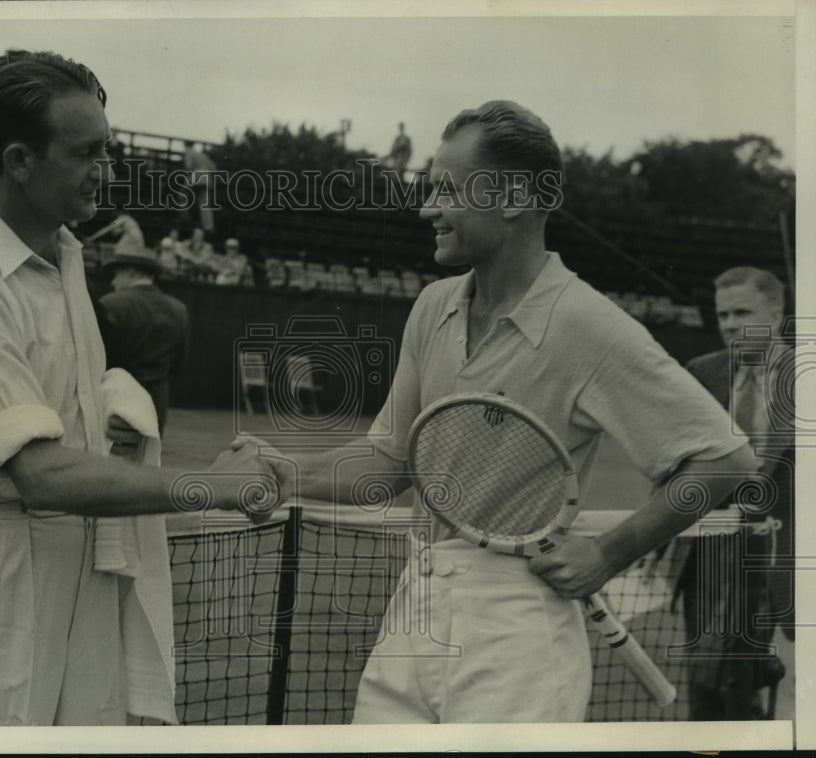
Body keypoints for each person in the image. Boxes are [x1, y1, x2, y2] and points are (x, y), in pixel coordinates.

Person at [231, 100, 758, 724]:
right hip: (416, 608)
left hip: (520, 635)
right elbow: (389, 462)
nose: (428, 209)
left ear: (512, 197)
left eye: (446, 191)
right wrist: (287, 474)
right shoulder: (431, 306)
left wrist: (610, 553)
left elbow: (728, 459)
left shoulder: (588, 324)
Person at [0, 48, 275, 727]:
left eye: (109, 148)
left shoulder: (66, 256)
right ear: (18, 160)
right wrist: (211, 485)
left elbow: (60, 421)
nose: (108, 170)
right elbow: (42, 474)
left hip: (75, 564)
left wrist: (106, 414)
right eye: (86, 152)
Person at [674, 266, 794, 720]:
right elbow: (674, 460)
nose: (729, 324)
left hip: (783, 556)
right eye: (723, 314)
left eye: (742, 312)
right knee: (706, 685)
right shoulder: (701, 372)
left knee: (764, 690)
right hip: (707, 553)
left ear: (776, 313)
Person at [99, 246, 190, 436]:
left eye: (117, 274)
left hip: (117, 396)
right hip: (157, 398)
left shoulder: (111, 303)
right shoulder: (179, 308)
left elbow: (99, 360)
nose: (113, 282)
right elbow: (179, 364)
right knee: (150, 457)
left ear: (131, 272)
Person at [182, 141, 217, 233]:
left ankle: (185, 218)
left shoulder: (188, 151)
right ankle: (208, 227)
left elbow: (188, 166)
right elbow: (213, 168)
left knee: (182, 195)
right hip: (207, 180)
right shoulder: (202, 155)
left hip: (196, 179)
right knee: (204, 204)